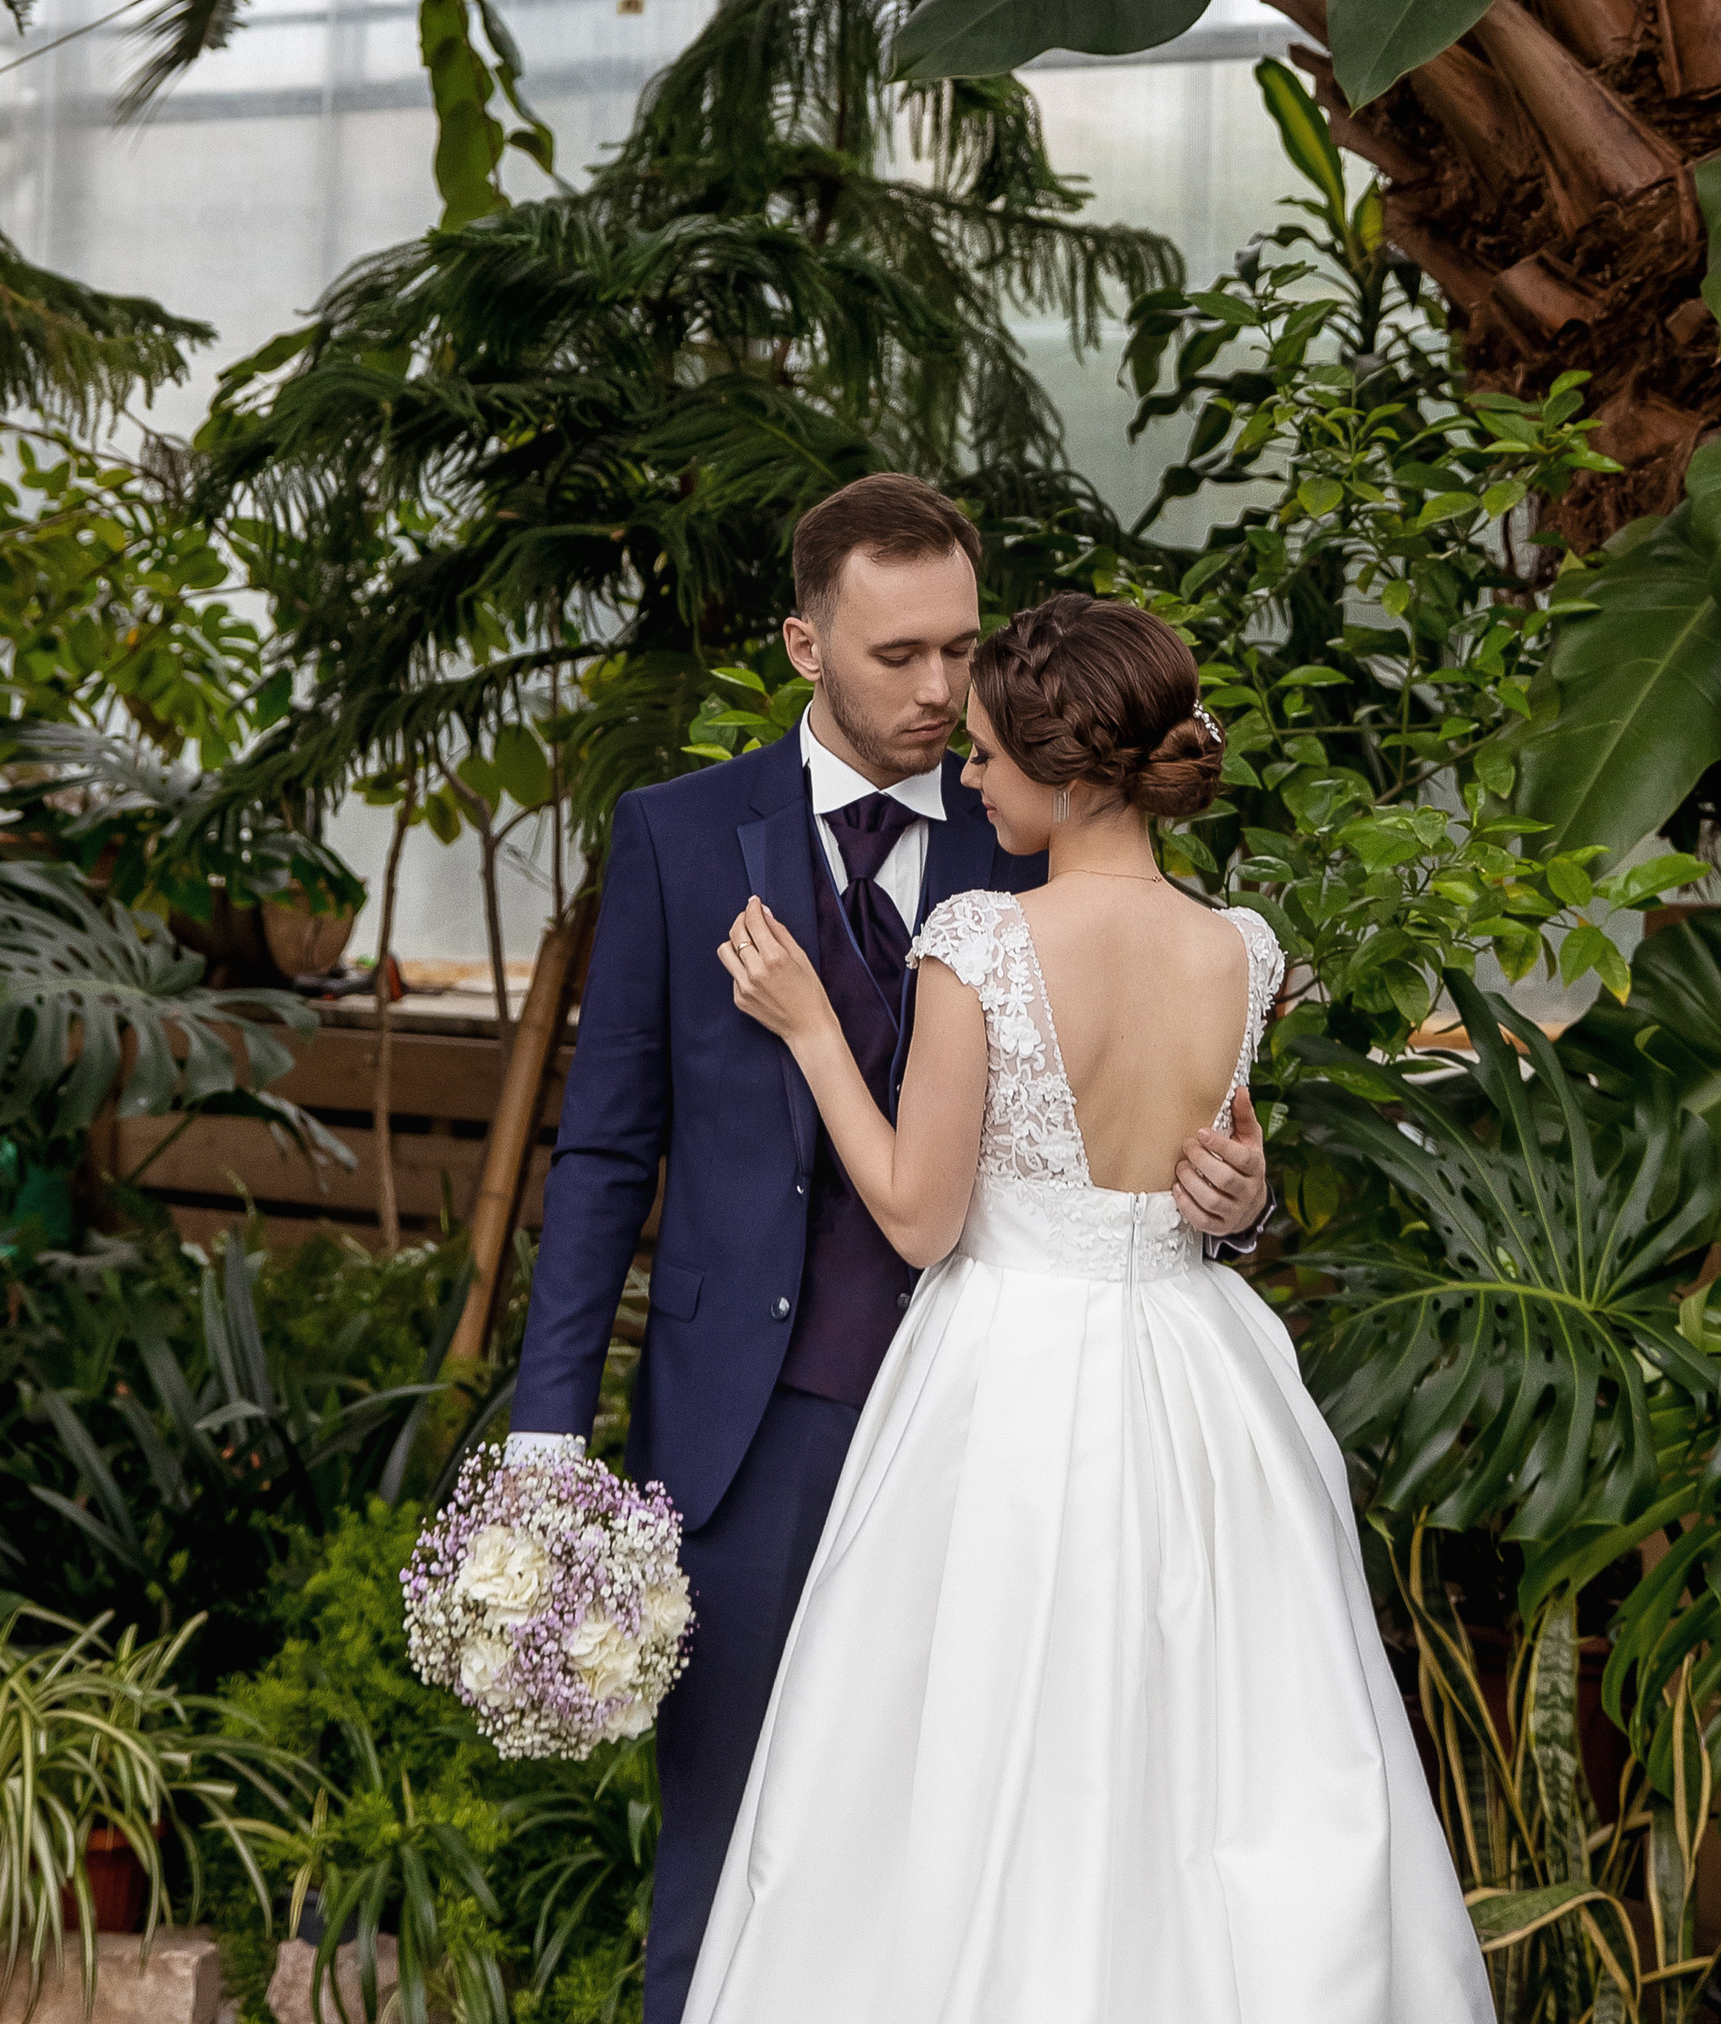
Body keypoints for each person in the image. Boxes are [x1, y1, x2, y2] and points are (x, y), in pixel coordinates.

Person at [505, 480, 1270, 2024]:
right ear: (805, 644)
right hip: (748, 1435)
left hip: (1016, 1448)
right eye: (899, 654)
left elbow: (1157, 1111)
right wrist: (545, 1432)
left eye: (962, 653)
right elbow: (603, 1150)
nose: (941, 694)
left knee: (998, 1869)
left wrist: (1243, 1204)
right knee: (734, 1876)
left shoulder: (1038, 833)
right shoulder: (675, 837)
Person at [686, 588, 1495, 2024]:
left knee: (978, 1751)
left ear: (1065, 774)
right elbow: (1212, 1179)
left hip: (1009, 1383)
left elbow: (924, 1218)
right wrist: (1240, 1209)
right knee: (1205, 1754)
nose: (970, 776)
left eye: (987, 753)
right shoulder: (1241, 948)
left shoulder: (983, 941)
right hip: (1200, 1383)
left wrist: (814, 1032)